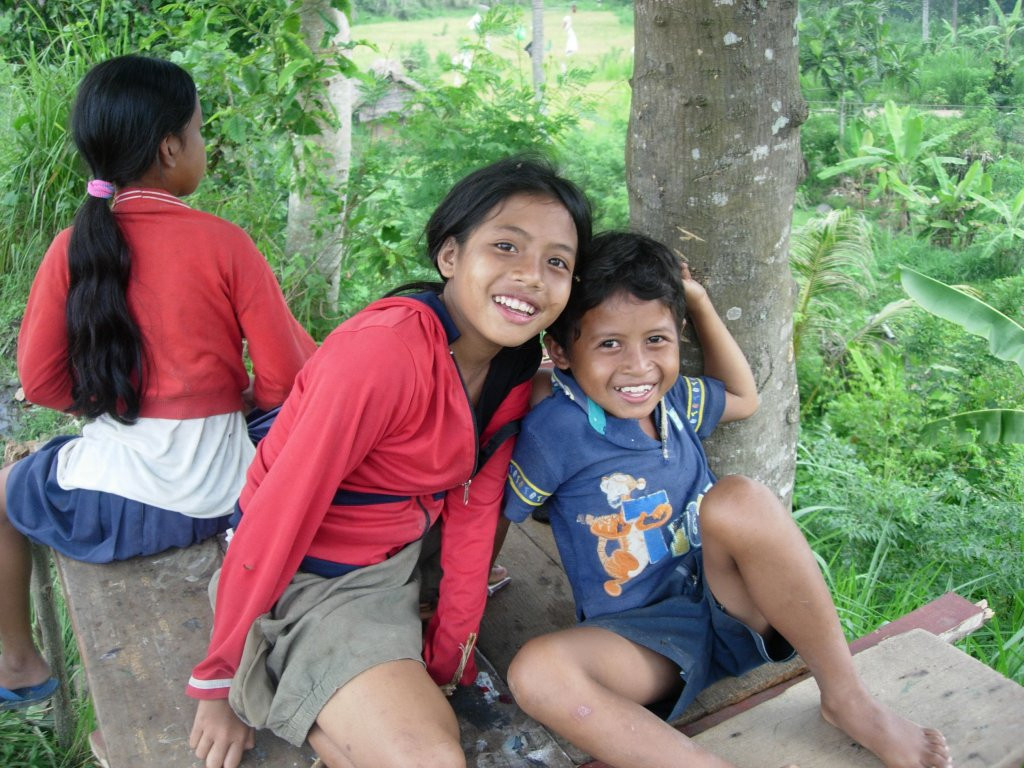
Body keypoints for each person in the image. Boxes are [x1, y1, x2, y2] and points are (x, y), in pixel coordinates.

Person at [187, 156, 593, 768]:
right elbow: (276, 516)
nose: (531, 276)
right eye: (506, 246)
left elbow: (475, 511)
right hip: (313, 577)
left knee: (426, 718)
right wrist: (218, 684)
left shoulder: (511, 366)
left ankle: (336, 705)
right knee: (432, 758)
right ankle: (268, 665)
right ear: (450, 256)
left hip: (403, 553)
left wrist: (449, 652)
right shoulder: (382, 354)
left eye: (556, 262)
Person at [502, 232, 952, 768]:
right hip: (643, 643)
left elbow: (745, 398)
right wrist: (451, 599)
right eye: (608, 344)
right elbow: (492, 514)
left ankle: (849, 699)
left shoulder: (674, 402)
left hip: (732, 605)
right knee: (536, 672)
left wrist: (698, 302)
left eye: (656, 340)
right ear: (560, 351)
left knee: (739, 499)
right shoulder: (556, 428)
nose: (637, 366)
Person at [0, 55, 315, 712]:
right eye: (200, 132)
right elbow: (286, 380)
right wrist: (231, 408)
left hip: (109, 509)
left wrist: (117, 407)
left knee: (5, 489)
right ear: (171, 147)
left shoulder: (73, 247)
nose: (203, 146)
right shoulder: (225, 243)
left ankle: (17, 661)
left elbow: (43, 384)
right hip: (224, 496)